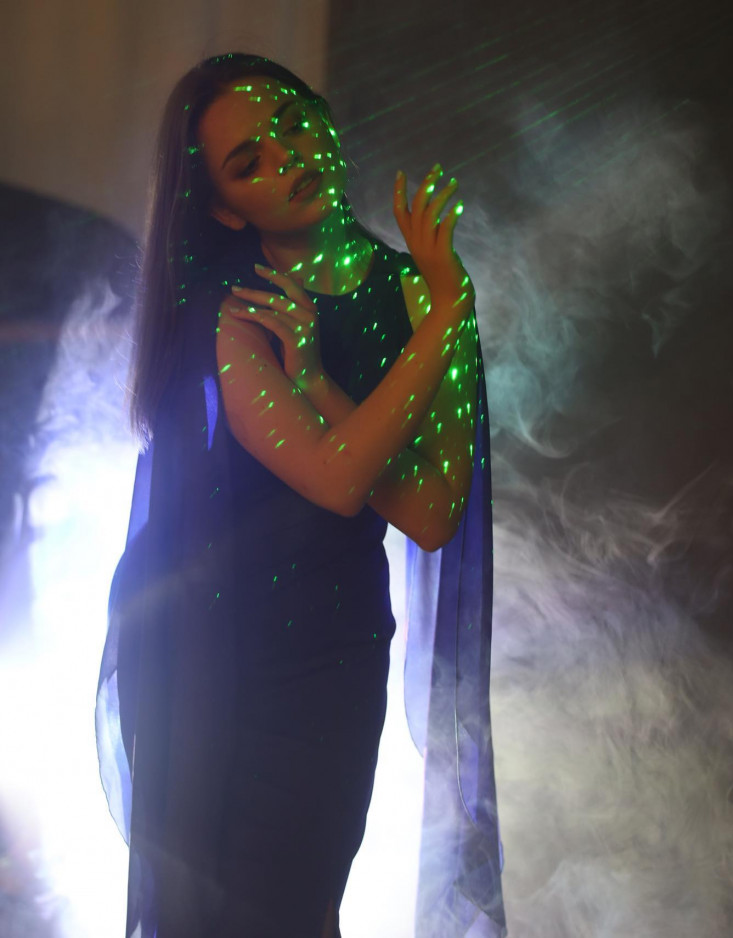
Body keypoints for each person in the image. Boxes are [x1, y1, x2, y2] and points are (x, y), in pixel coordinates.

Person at [95, 52, 505, 938]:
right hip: (209, 651)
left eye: (291, 124)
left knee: (302, 902)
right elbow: (334, 477)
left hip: (335, 650)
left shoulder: (416, 290)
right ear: (224, 208)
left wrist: (325, 373)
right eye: (250, 162)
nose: (287, 157)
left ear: (326, 119)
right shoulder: (234, 309)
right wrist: (446, 314)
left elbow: (432, 515)